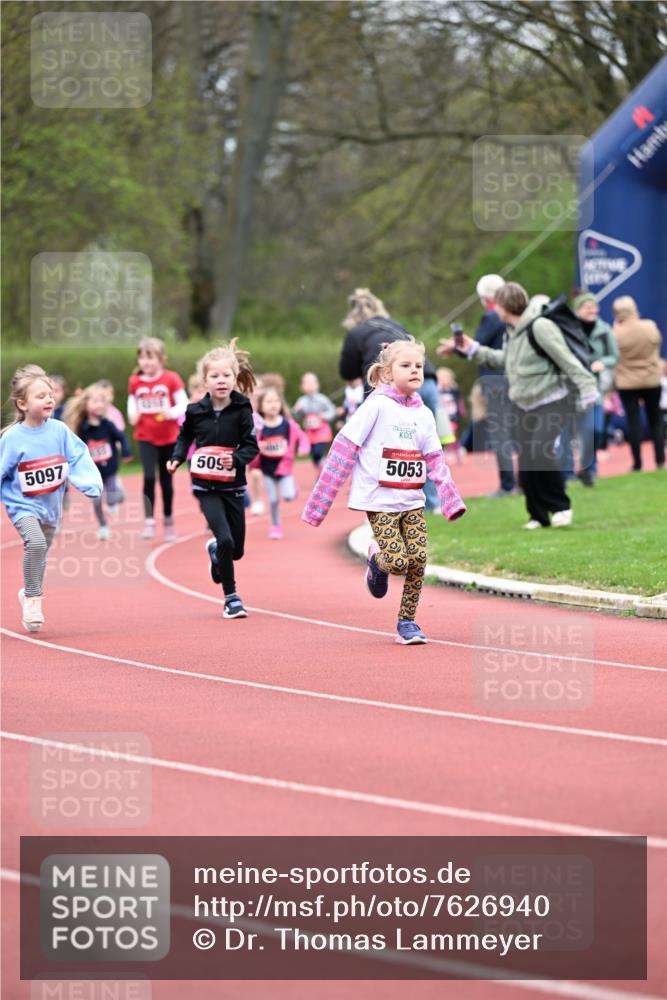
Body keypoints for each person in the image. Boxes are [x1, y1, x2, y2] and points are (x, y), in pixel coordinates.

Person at [302, 338, 466, 645]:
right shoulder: (375, 406)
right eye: (406, 366)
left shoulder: (425, 414)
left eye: (418, 366)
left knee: (418, 559)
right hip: (379, 501)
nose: (415, 370)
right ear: (387, 373)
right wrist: (319, 504)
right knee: (398, 560)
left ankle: (408, 622)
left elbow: (435, 459)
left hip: (412, 500)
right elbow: (343, 449)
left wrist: (449, 498)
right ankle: (377, 560)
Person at [440, 283, 597, 529]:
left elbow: (566, 359)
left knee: (541, 452)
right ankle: (537, 515)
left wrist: (588, 389)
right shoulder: (510, 331)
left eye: (497, 306)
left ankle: (560, 507)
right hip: (524, 403)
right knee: (526, 461)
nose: (495, 310)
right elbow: (505, 360)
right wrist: (473, 349)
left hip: (552, 398)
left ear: (503, 307)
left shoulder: (540, 326)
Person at [0, 365, 102, 632]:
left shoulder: (59, 430)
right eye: (41, 396)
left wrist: (89, 483)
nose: (49, 399)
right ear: (22, 404)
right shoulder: (12, 438)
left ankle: (29, 590)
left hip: (51, 507)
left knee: (41, 551)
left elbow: (78, 456)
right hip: (22, 506)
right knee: (34, 543)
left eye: (50, 394)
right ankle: (34, 598)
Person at [167, 340, 259, 620]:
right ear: (204, 380)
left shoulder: (242, 409)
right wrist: (177, 457)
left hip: (233, 486)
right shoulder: (195, 411)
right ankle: (231, 598)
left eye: (226, 375)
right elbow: (185, 437)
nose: (221, 381)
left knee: (237, 550)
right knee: (226, 539)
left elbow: (251, 446)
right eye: (215, 376)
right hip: (205, 486)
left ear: (234, 377)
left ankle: (216, 552)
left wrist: (238, 459)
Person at [339, 287, 441, 512]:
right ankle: (432, 503)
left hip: (389, 393)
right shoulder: (395, 325)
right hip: (428, 382)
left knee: (386, 448)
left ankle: (388, 503)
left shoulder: (356, 333)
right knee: (426, 447)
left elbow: (346, 371)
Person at [127, 337, 187, 541]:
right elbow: (132, 401)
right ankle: (149, 521)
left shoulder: (171, 378)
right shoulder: (135, 380)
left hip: (169, 437)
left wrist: (170, 412)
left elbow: (184, 403)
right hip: (146, 435)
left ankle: (169, 520)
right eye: (142, 358)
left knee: (166, 479)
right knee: (149, 477)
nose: (146, 362)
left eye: (150, 358)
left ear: (162, 359)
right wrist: (132, 413)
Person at [558, 292, 618, 486]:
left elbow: (614, 356)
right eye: (587, 306)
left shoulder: (604, 330)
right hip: (570, 388)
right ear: (577, 310)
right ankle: (566, 473)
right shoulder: (568, 330)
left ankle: (589, 470)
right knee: (567, 432)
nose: (592, 310)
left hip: (594, 388)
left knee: (594, 431)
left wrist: (602, 362)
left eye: (594, 306)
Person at [64, 383, 133, 539]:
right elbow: (76, 447)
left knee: (112, 499)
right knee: (96, 501)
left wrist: (127, 451)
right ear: (86, 404)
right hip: (92, 472)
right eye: (95, 401)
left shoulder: (108, 425)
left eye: (102, 401)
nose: (99, 405)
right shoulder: (82, 428)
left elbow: (121, 437)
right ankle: (103, 525)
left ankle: (118, 491)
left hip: (110, 468)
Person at [469, 274, 517, 497]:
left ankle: (507, 485)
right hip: (514, 379)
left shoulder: (491, 318)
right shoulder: (515, 315)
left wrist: (459, 346)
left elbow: (475, 348)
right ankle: (522, 481)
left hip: (496, 381)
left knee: (501, 435)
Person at [612, 296, 664, 471]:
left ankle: (637, 463)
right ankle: (659, 461)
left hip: (628, 382)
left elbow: (613, 355)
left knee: (633, 422)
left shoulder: (616, 333)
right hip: (651, 378)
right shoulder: (649, 326)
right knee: (655, 420)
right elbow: (657, 345)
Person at [256, 386, 310, 539]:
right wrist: (255, 449)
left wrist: (304, 448)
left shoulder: (287, 424)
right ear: (261, 406)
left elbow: (302, 436)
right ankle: (275, 525)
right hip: (267, 469)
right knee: (273, 500)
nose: (273, 405)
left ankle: (292, 489)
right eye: (268, 402)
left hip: (284, 468)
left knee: (287, 496)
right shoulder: (259, 427)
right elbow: (249, 443)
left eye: (276, 401)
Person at [292, 372, 336, 472]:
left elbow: (332, 411)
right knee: (314, 454)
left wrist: (323, 416)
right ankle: (321, 469)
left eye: (312, 383)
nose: (310, 386)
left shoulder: (322, 399)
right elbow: (296, 416)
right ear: (301, 387)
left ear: (317, 385)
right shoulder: (301, 401)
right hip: (310, 433)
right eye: (306, 383)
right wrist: (297, 410)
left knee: (317, 451)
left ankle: (324, 469)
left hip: (322, 431)